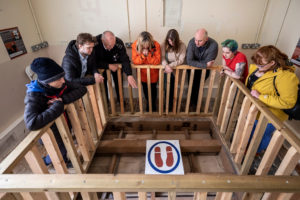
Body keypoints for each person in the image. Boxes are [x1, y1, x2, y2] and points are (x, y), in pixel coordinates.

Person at [24, 57, 87, 165]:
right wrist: (58, 105)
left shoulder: (61, 82)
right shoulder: (34, 95)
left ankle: (64, 160)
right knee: (59, 152)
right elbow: (31, 123)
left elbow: (82, 89)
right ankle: (43, 163)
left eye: (62, 77)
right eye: (59, 79)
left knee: (65, 146)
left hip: (64, 122)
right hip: (51, 131)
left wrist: (63, 99)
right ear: (47, 82)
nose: (63, 80)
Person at [246, 45, 299, 152]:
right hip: (254, 110)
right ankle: (247, 148)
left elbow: (288, 102)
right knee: (250, 132)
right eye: (256, 63)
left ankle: (254, 153)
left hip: (269, 117)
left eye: (260, 65)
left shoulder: (286, 77)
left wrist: (261, 96)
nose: (257, 66)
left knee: (260, 137)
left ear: (272, 63)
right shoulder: (258, 68)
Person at [94, 31, 137, 103]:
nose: (111, 48)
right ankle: (105, 103)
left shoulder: (119, 42)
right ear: (102, 40)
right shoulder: (95, 43)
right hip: (102, 66)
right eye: (109, 45)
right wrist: (108, 66)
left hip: (116, 65)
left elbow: (125, 59)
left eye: (113, 45)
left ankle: (121, 101)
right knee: (103, 85)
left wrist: (129, 75)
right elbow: (93, 61)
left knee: (119, 83)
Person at [186, 28, 218, 106]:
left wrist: (203, 65)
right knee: (191, 86)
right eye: (195, 39)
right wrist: (204, 65)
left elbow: (209, 62)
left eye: (200, 41)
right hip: (192, 70)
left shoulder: (214, 45)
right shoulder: (191, 42)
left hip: (204, 71)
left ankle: (197, 105)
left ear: (206, 39)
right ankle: (190, 103)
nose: (196, 42)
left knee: (199, 86)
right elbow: (189, 61)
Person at [132, 31, 161, 111]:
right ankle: (149, 103)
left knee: (153, 89)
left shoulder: (156, 45)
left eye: (147, 45)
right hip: (142, 74)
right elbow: (135, 61)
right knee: (145, 89)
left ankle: (153, 104)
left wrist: (148, 55)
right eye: (143, 46)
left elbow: (157, 61)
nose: (145, 47)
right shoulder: (135, 45)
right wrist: (143, 56)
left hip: (153, 73)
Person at [161, 29, 186, 110]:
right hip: (166, 70)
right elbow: (162, 57)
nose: (171, 43)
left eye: (173, 41)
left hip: (176, 69)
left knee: (174, 88)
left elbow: (181, 60)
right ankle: (167, 105)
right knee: (166, 88)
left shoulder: (182, 45)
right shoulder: (164, 44)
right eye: (169, 41)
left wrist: (170, 65)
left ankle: (172, 105)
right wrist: (166, 66)